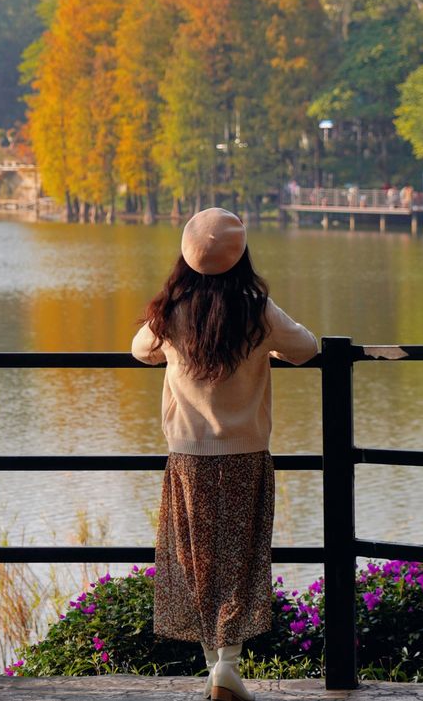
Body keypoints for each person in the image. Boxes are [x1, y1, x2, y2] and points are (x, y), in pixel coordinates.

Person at [132, 208, 317, 701]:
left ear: (186, 258)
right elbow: (307, 346)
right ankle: (227, 666)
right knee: (241, 557)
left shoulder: (172, 310)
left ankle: (214, 665)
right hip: (245, 454)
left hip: (188, 455)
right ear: (241, 255)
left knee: (195, 558)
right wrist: (267, 351)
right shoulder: (256, 308)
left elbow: (139, 350)